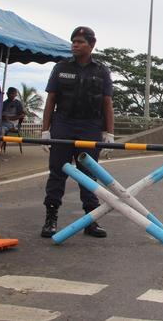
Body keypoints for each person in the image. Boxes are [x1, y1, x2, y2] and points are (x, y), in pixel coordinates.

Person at [39, 26, 114, 238]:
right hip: (63, 123)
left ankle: (91, 221)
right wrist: (46, 131)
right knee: (57, 173)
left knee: (89, 175)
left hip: (90, 126)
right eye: (73, 41)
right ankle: (50, 219)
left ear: (91, 45)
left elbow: (108, 103)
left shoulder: (101, 71)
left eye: (80, 41)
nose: (75, 44)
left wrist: (109, 133)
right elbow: (50, 100)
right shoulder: (61, 67)